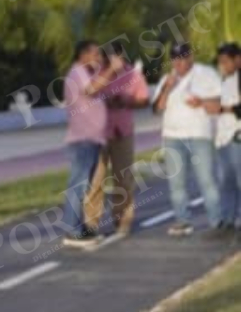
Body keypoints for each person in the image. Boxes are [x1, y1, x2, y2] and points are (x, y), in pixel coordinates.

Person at [152, 42, 224, 236]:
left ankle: (217, 222)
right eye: (175, 58)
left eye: (183, 57)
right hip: (173, 137)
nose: (180, 62)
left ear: (191, 57)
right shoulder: (168, 78)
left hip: (200, 134)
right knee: (177, 184)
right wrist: (167, 88)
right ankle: (183, 221)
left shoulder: (206, 74)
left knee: (207, 180)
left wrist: (201, 102)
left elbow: (220, 103)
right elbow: (157, 109)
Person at [84, 41, 151, 238]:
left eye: (119, 57)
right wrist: (108, 73)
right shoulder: (96, 73)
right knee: (96, 180)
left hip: (123, 132)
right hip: (98, 134)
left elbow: (144, 100)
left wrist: (126, 101)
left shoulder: (133, 74)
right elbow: (89, 91)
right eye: (112, 57)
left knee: (123, 179)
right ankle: (91, 222)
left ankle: (123, 219)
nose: (116, 61)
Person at [61, 41, 110, 247]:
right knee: (78, 184)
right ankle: (72, 231)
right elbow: (90, 90)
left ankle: (79, 227)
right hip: (83, 139)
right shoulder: (78, 72)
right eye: (95, 54)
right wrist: (112, 70)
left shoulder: (87, 72)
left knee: (84, 185)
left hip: (92, 138)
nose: (99, 57)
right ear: (83, 55)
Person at [210, 42, 241, 234]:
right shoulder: (223, 80)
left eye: (226, 61)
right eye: (220, 62)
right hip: (222, 138)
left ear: (237, 59)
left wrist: (222, 109)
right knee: (225, 181)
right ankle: (228, 219)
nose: (223, 65)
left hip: (236, 137)